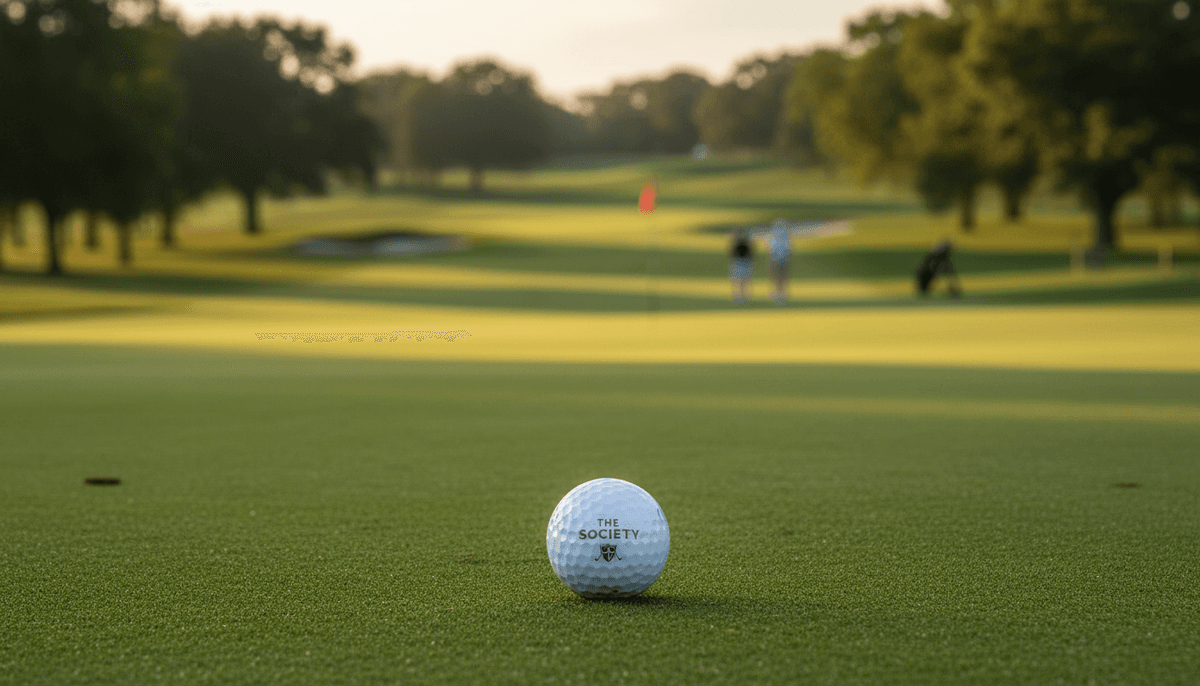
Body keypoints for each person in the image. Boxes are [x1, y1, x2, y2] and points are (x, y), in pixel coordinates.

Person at [768, 219, 792, 305]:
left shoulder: (777, 234)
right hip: (779, 257)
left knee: (780, 277)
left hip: (781, 257)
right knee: (779, 277)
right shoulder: (780, 234)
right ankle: (778, 293)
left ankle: (781, 294)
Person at [729, 229, 754, 303]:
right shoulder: (737, 243)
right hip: (739, 261)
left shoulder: (746, 243)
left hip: (744, 261)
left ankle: (743, 295)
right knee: (738, 280)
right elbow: (732, 253)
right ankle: (738, 295)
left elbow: (751, 253)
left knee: (744, 280)